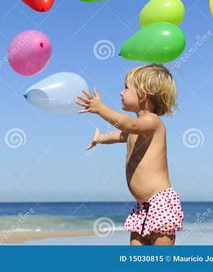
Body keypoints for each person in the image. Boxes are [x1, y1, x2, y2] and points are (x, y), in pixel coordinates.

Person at [76, 64, 184, 245]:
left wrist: (101, 109)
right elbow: (121, 134)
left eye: (126, 87)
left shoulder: (152, 122)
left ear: (143, 94)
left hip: (160, 204)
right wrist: (100, 138)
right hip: (142, 207)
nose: (121, 92)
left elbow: (128, 126)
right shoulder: (138, 127)